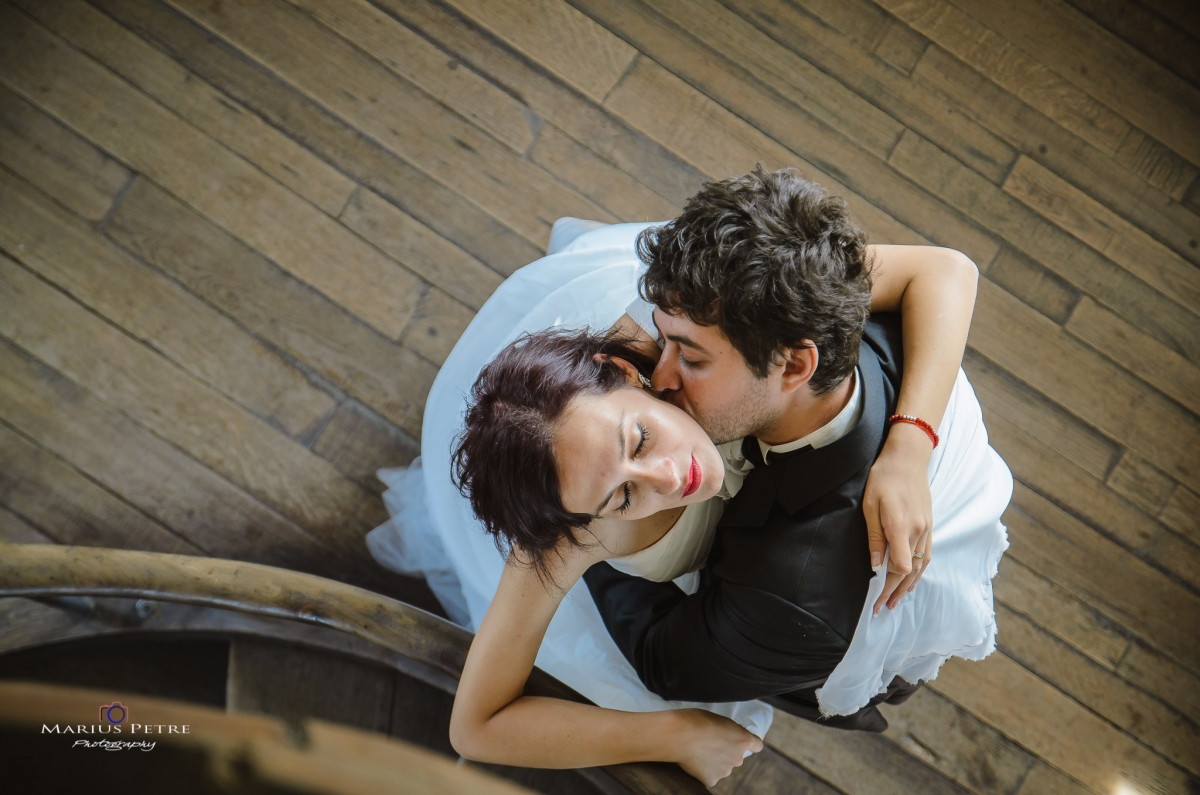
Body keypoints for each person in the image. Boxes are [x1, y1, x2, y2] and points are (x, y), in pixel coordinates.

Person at [368, 169, 1010, 786]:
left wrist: (908, 447)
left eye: (642, 438)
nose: (671, 477)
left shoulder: (719, 328)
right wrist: (670, 735)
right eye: (624, 494)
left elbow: (946, 269)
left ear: (623, 370)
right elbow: (476, 726)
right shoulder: (578, 513)